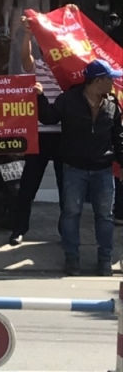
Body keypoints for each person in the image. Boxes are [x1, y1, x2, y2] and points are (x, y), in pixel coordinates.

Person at [40, 59, 122, 276]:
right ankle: (72, 260)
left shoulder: (112, 103)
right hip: (74, 169)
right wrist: (39, 96)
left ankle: (105, 261)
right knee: (71, 213)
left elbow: (118, 137)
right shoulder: (69, 99)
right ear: (97, 81)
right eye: (110, 79)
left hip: (103, 170)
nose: (113, 83)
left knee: (105, 216)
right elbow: (48, 117)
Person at [8, 15, 62, 246]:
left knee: (67, 188)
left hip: (63, 134)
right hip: (39, 134)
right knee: (28, 186)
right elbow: (25, 58)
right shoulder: (38, 67)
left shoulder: (68, 71)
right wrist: (28, 34)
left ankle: (66, 232)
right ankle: (19, 230)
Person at [1, 0, 49, 75]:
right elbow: (8, 5)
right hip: (19, 21)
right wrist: (6, 25)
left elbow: (45, 7)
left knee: (36, 53)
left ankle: (38, 81)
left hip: (37, 21)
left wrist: (46, 25)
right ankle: (17, 82)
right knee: (18, 52)